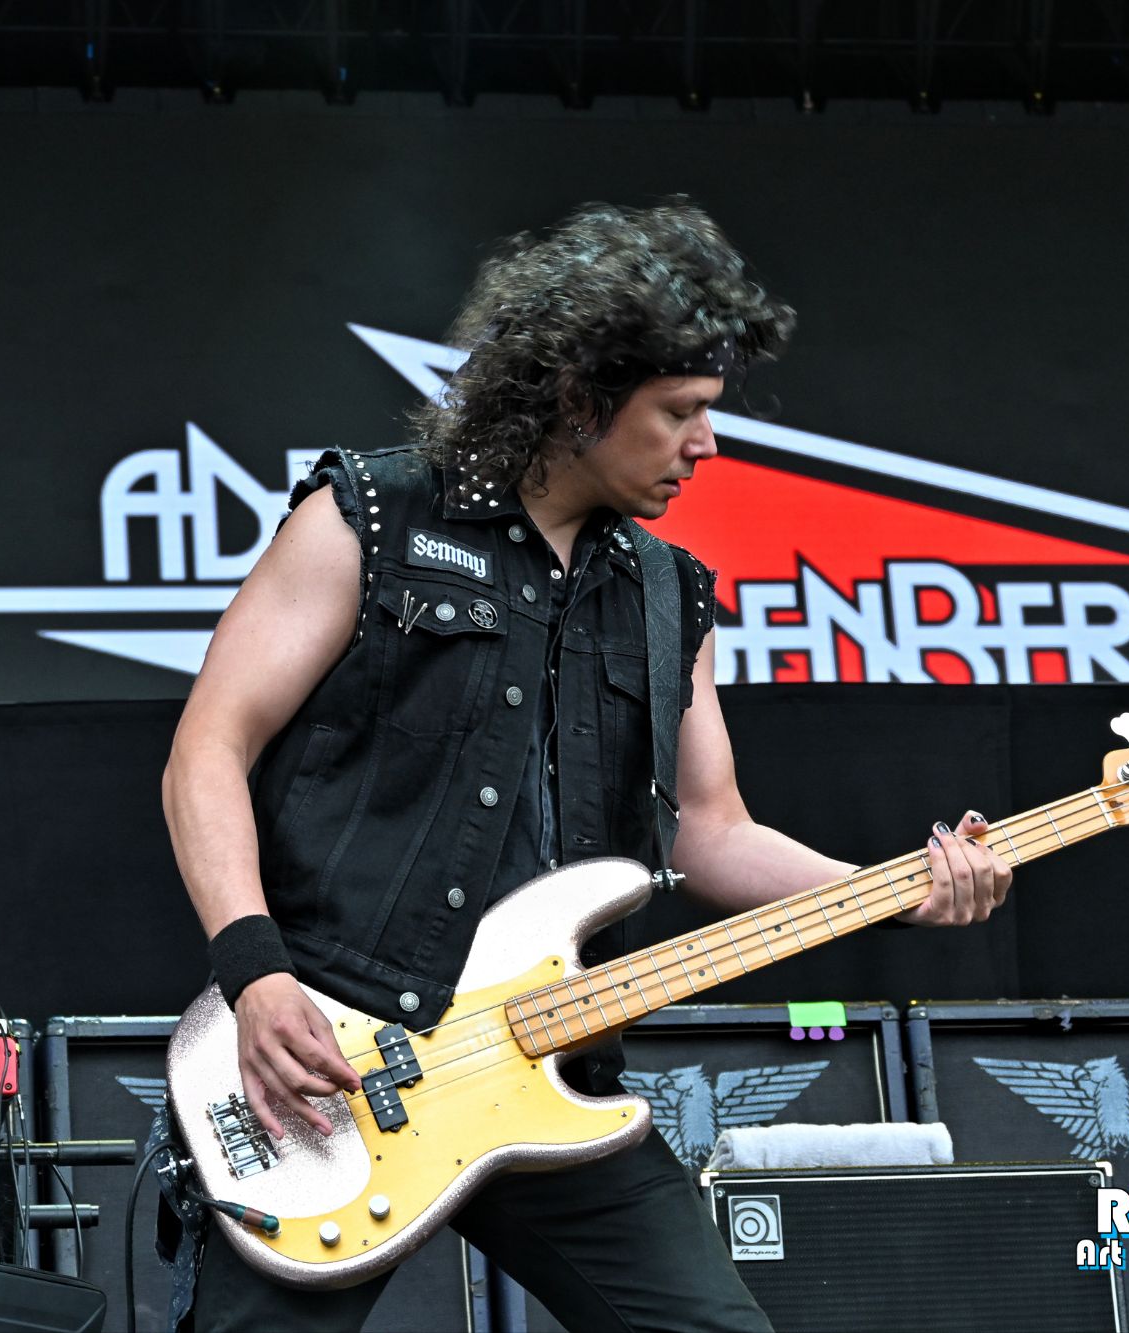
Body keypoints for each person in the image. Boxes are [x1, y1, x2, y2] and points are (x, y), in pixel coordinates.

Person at [160, 198, 1015, 1332]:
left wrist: (898, 890)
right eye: (678, 412)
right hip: (325, 1058)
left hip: (549, 1071)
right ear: (577, 396)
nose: (706, 446)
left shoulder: (668, 594)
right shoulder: (370, 514)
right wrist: (254, 971)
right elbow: (208, 747)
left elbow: (708, 829)